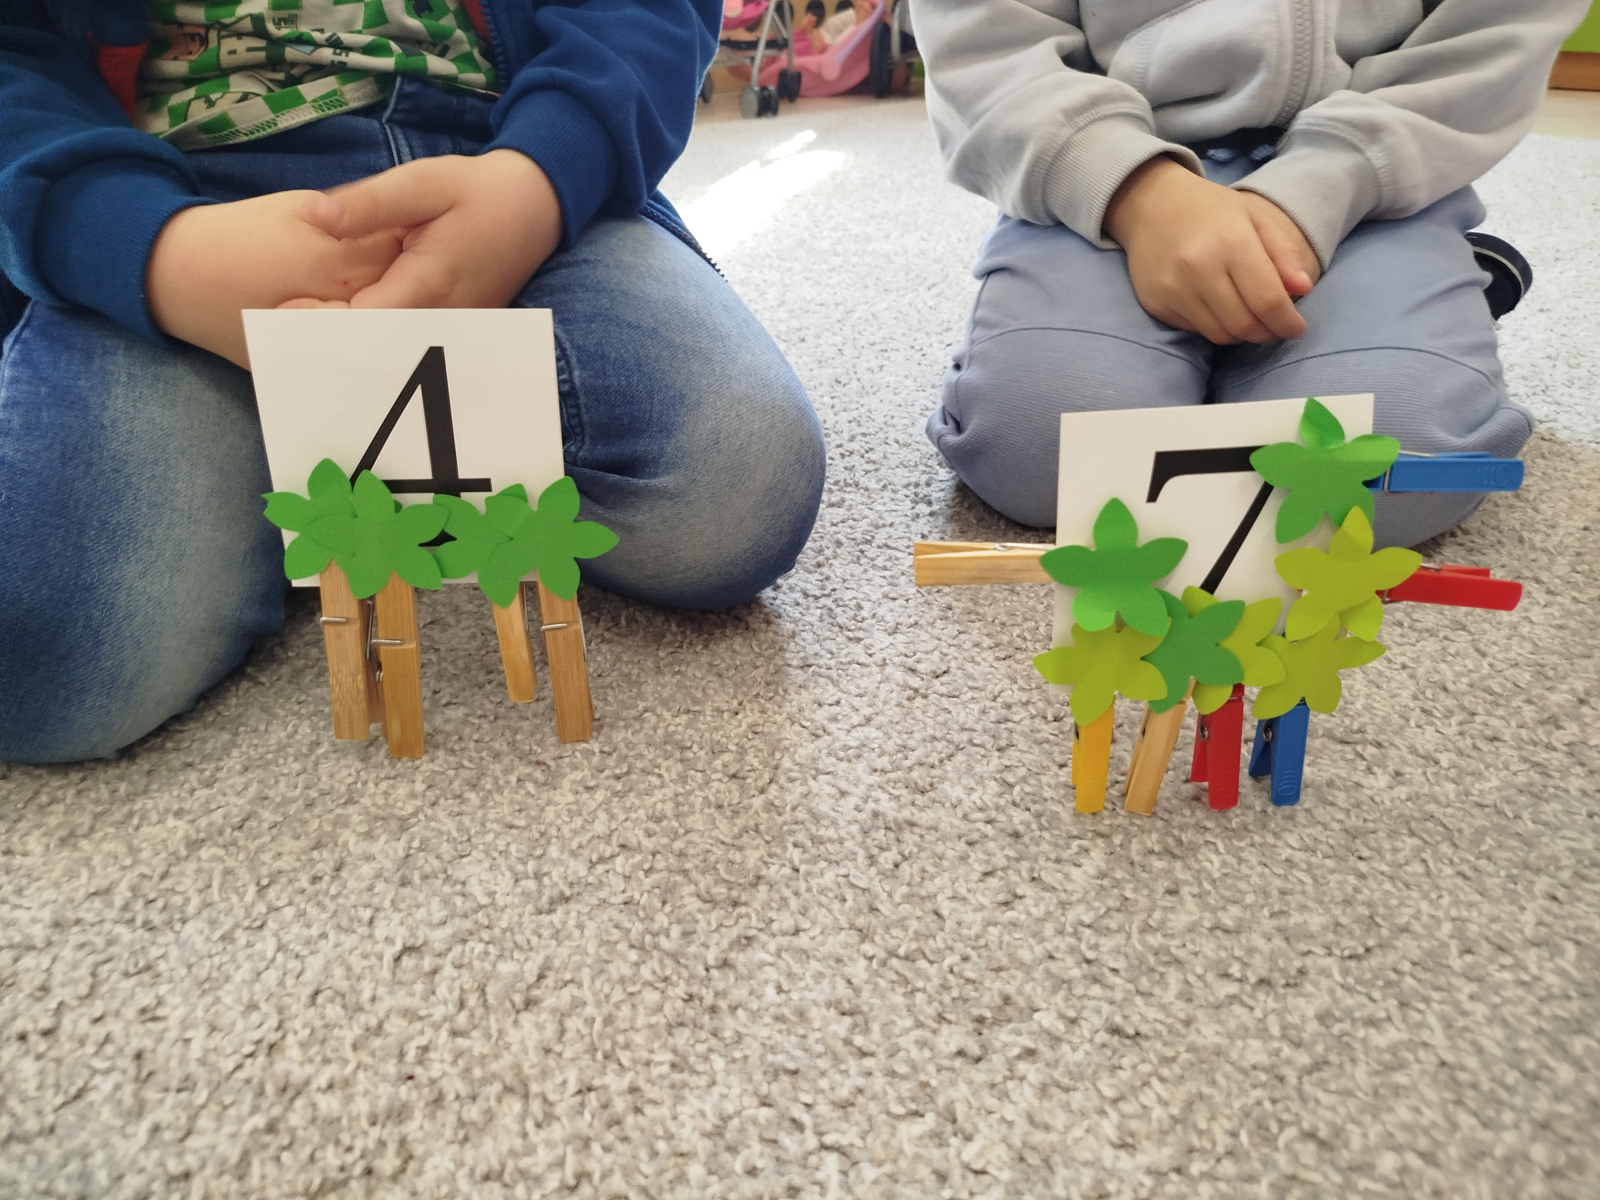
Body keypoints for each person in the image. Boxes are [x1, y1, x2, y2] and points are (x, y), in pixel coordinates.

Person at [0, 0, 827, 763]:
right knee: (56, 657)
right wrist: (144, 246)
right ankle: (321, 475)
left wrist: (545, 170)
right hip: (179, 206)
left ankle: (322, 470)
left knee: (739, 483)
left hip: (509, 159)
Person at [913, 0, 1587, 539]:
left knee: (1392, 472)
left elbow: (1497, 35)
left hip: (1379, 179)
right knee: (1043, 456)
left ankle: (1427, 286)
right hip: (1103, 176)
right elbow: (985, 40)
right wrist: (1122, 184)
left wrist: (1329, 182)